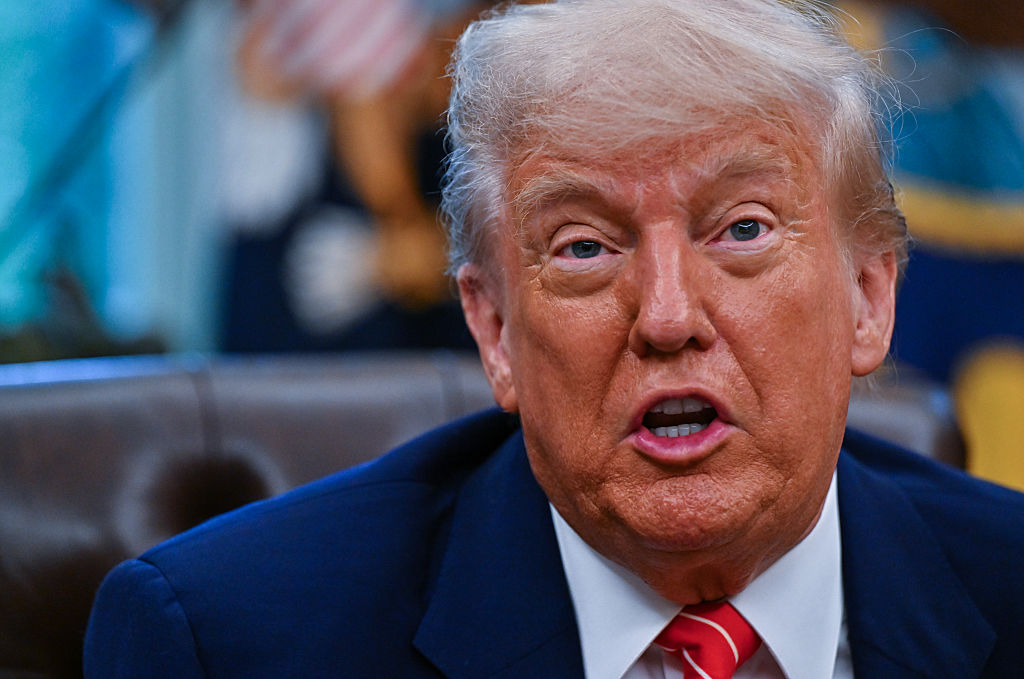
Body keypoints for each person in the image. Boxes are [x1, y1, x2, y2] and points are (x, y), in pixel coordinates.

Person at [83, 1, 1024, 677]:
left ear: (868, 296)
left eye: (741, 230)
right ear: (493, 329)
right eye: (583, 246)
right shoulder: (228, 642)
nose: (666, 315)